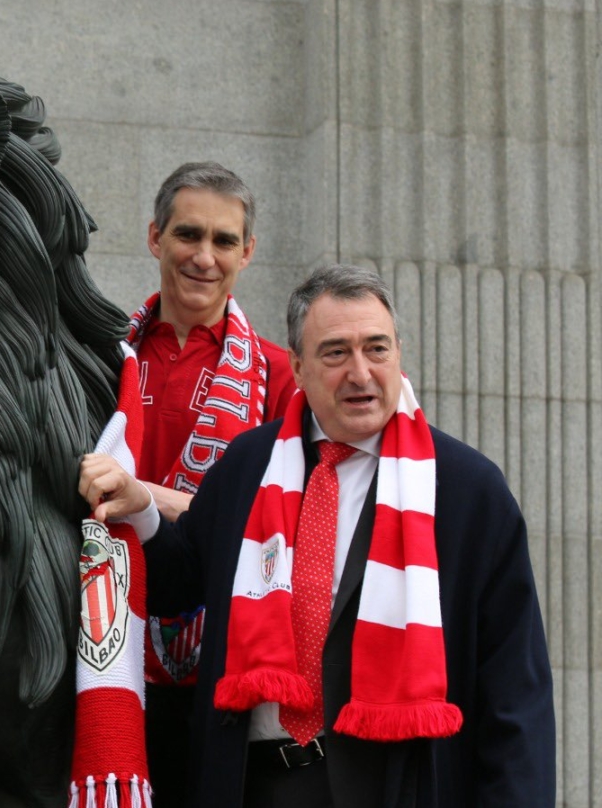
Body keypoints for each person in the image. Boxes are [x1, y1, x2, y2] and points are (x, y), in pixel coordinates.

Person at [79, 265, 554, 807]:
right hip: (255, 784)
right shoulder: (249, 465)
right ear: (298, 367)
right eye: (335, 353)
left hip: (397, 787)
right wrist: (140, 509)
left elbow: (516, 689)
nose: (360, 373)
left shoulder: (469, 490)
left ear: (399, 354)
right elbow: (179, 585)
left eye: (377, 349)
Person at [127, 162, 295, 803]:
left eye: (224, 241)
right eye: (187, 235)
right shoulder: (104, 360)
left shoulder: (281, 379)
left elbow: (279, 519)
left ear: (247, 252)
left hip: (224, 668)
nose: (204, 256)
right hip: (99, 646)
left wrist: (146, 500)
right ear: (154, 237)